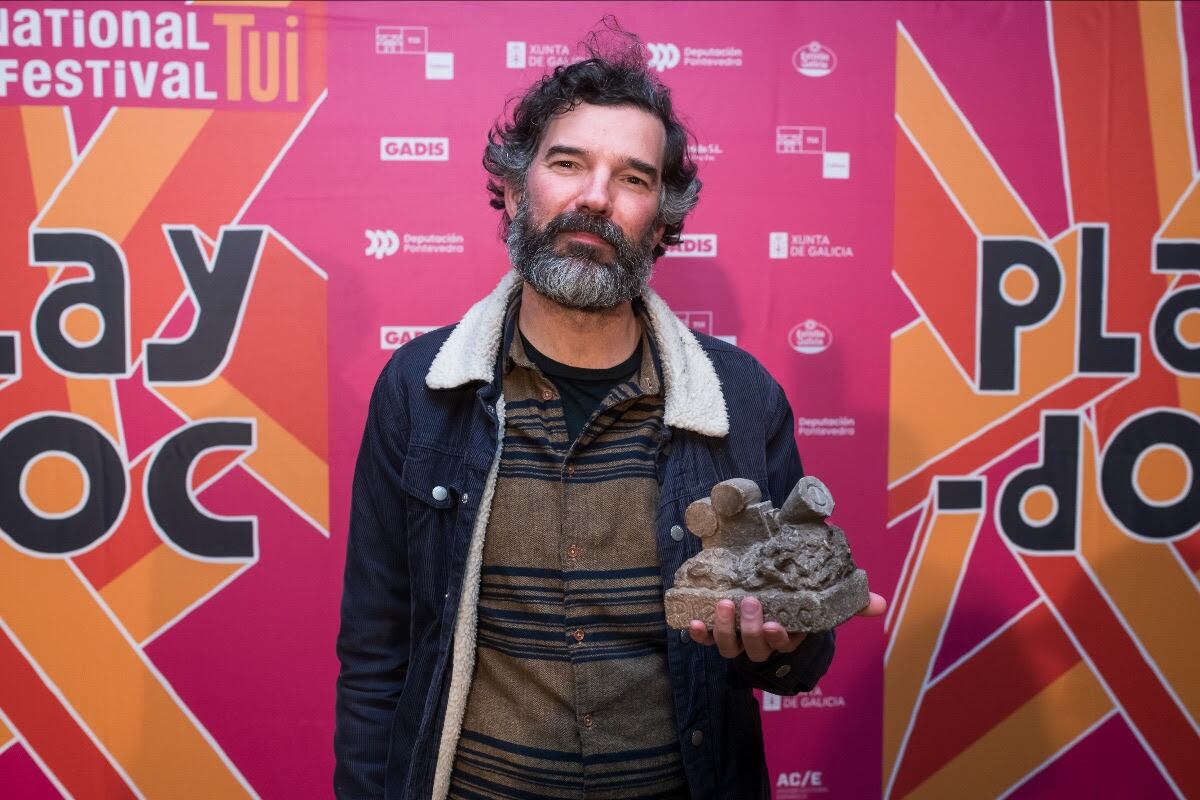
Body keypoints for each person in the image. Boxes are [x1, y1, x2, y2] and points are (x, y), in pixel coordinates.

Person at [335, 32, 885, 800]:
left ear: (660, 223)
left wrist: (783, 643)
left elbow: (803, 657)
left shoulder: (742, 399)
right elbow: (377, 652)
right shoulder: (420, 390)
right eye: (567, 164)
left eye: (632, 178)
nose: (596, 197)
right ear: (513, 190)